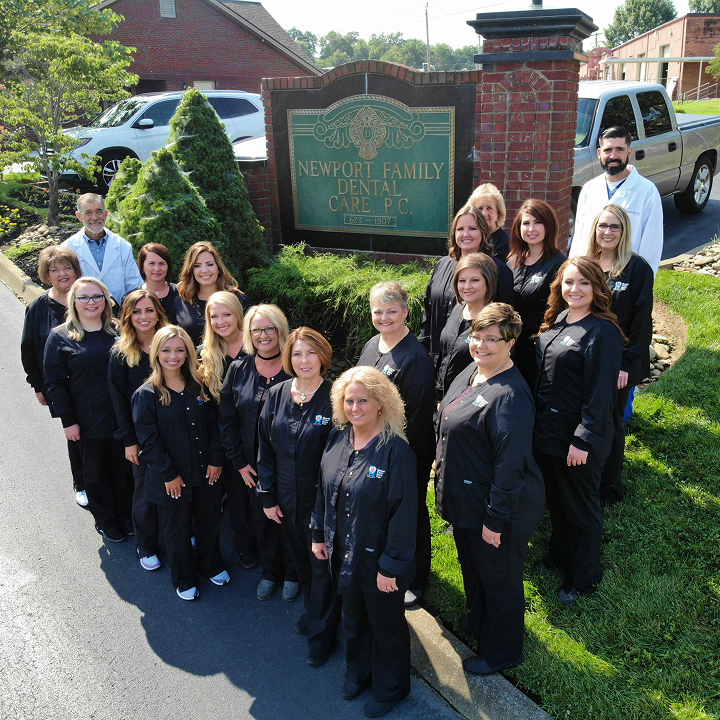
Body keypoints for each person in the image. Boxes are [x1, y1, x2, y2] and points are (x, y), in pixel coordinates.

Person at [436, 303, 544, 675]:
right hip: (469, 498)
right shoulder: (473, 371)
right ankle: (480, 620)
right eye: (476, 336)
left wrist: (495, 520)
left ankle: (503, 650)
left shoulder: (510, 397)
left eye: (491, 339)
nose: (480, 345)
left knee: (500, 579)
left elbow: (510, 465)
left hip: (498, 507)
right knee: (473, 565)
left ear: (510, 342)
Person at [311, 367, 417, 718]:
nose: (355, 408)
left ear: (381, 404)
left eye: (363, 400)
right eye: (349, 400)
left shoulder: (396, 452)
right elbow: (323, 491)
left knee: (386, 627)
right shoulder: (338, 438)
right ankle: (358, 672)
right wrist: (318, 535)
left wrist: (392, 566)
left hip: (380, 563)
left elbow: (405, 516)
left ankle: (391, 688)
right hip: (342, 553)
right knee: (355, 620)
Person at [534, 257, 624, 606]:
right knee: (556, 500)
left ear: (597, 288)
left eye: (584, 283)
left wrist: (582, 440)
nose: (575, 290)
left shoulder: (602, 332)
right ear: (560, 285)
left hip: (578, 440)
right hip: (549, 433)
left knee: (581, 507)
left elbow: (602, 395)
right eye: (569, 282)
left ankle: (584, 577)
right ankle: (559, 556)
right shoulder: (557, 319)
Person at [257, 328, 341, 667]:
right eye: (296, 354)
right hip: (285, 502)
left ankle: (323, 634)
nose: (303, 360)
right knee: (302, 564)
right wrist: (267, 495)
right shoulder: (277, 394)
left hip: (320, 506)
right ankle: (315, 612)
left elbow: (339, 460)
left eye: (311, 353)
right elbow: (264, 447)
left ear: (323, 356)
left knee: (322, 570)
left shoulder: (336, 397)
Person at [131, 325, 229, 601]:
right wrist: (168, 474)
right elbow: (149, 443)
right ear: (155, 353)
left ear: (188, 352)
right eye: (166, 350)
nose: (173, 356)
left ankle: (211, 565)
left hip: (206, 472)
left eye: (179, 350)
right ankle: (184, 577)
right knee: (177, 530)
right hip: (172, 479)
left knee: (209, 522)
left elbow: (215, 427)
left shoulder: (201, 386)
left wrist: (216, 459)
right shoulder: (146, 395)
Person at [357, 281, 434, 607]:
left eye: (392, 311)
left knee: (410, 514)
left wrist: (390, 453)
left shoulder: (414, 358)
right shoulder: (374, 344)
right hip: (375, 445)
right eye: (378, 311)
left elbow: (414, 418)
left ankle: (417, 578)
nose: (384, 317)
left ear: (405, 312)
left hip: (405, 452)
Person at [218, 304, 299, 601]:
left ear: (280, 331)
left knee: (288, 519)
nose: (264, 335)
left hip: (288, 465)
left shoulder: (294, 368)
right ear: (249, 335)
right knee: (262, 518)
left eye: (270, 329)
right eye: (257, 330)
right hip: (250, 466)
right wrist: (239, 462)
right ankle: (270, 572)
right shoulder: (238, 370)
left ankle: (292, 572)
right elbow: (226, 419)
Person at [44, 277, 132, 542]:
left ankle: (127, 515)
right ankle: (106, 520)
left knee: (123, 470)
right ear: (73, 301)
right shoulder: (60, 337)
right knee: (95, 474)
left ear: (106, 299)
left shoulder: (119, 330)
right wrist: (67, 421)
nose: (91, 302)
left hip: (121, 417)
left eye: (97, 296)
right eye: (84, 297)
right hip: (87, 419)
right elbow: (55, 383)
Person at [587, 204, 654, 506]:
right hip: (587, 359)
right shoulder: (587, 265)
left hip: (618, 364)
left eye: (615, 227)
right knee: (587, 418)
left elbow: (641, 322)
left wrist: (626, 364)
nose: (607, 232)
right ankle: (584, 476)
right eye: (603, 225)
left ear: (624, 231)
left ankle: (608, 488)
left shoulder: (637, 268)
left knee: (611, 422)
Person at [21, 246, 87, 507]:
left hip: (91, 381)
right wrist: (37, 385)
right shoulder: (38, 307)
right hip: (59, 385)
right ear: (46, 274)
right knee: (75, 434)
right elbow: (28, 348)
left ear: (75, 270)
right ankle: (81, 483)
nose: (62, 274)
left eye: (66, 267)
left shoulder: (88, 297)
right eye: (54, 269)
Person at [108, 289, 167, 571]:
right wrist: (129, 441)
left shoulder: (172, 343)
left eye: (149, 310)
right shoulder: (120, 354)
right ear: (127, 317)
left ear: (158, 313)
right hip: (142, 438)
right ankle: (146, 544)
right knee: (144, 490)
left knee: (178, 486)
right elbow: (118, 402)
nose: (144, 317)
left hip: (175, 431)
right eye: (137, 311)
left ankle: (179, 533)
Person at [419, 205, 513, 370]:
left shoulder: (498, 271)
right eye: (460, 229)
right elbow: (428, 311)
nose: (465, 234)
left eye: (472, 228)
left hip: (473, 363)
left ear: (483, 233)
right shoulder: (442, 265)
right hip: (435, 360)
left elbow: (505, 323)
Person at [569, 126, 663, 275]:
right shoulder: (589, 189)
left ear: (629, 152)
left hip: (627, 279)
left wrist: (642, 284)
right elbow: (579, 238)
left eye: (620, 149)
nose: (613, 156)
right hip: (589, 279)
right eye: (608, 150)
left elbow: (652, 246)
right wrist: (573, 275)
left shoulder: (647, 192)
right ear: (599, 153)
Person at [508, 199, 567, 389]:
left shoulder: (560, 264)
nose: (531, 228)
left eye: (537, 222)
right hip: (509, 346)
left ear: (548, 226)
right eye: (526, 223)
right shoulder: (512, 261)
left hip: (538, 350)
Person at [435, 253, 497, 400]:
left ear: (488, 283)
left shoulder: (495, 320)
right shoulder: (457, 309)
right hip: (444, 398)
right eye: (462, 281)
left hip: (470, 401)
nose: (467, 286)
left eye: (475, 280)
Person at [62, 193, 143, 305]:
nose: (95, 217)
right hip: (84, 315)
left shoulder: (122, 246)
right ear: (79, 216)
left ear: (106, 214)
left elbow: (134, 286)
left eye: (99, 211)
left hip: (118, 315)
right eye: (88, 212)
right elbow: (65, 288)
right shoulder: (68, 248)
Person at [173, 241, 251, 346]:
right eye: (197, 266)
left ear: (218, 268)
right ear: (191, 270)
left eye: (209, 264)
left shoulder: (239, 300)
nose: (204, 270)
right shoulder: (181, 302)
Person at [468, 183, 510, 263]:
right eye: (480, 208)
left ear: (498, 212)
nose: (484, 214)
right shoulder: (469, 236)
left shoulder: (504, 243)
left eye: (489, 208)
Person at [137, 243, 178, 322]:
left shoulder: (181, 294)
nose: (157, 268)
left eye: (161, 264)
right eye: (151, 263)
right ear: (142, 267)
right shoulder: (131, 298)